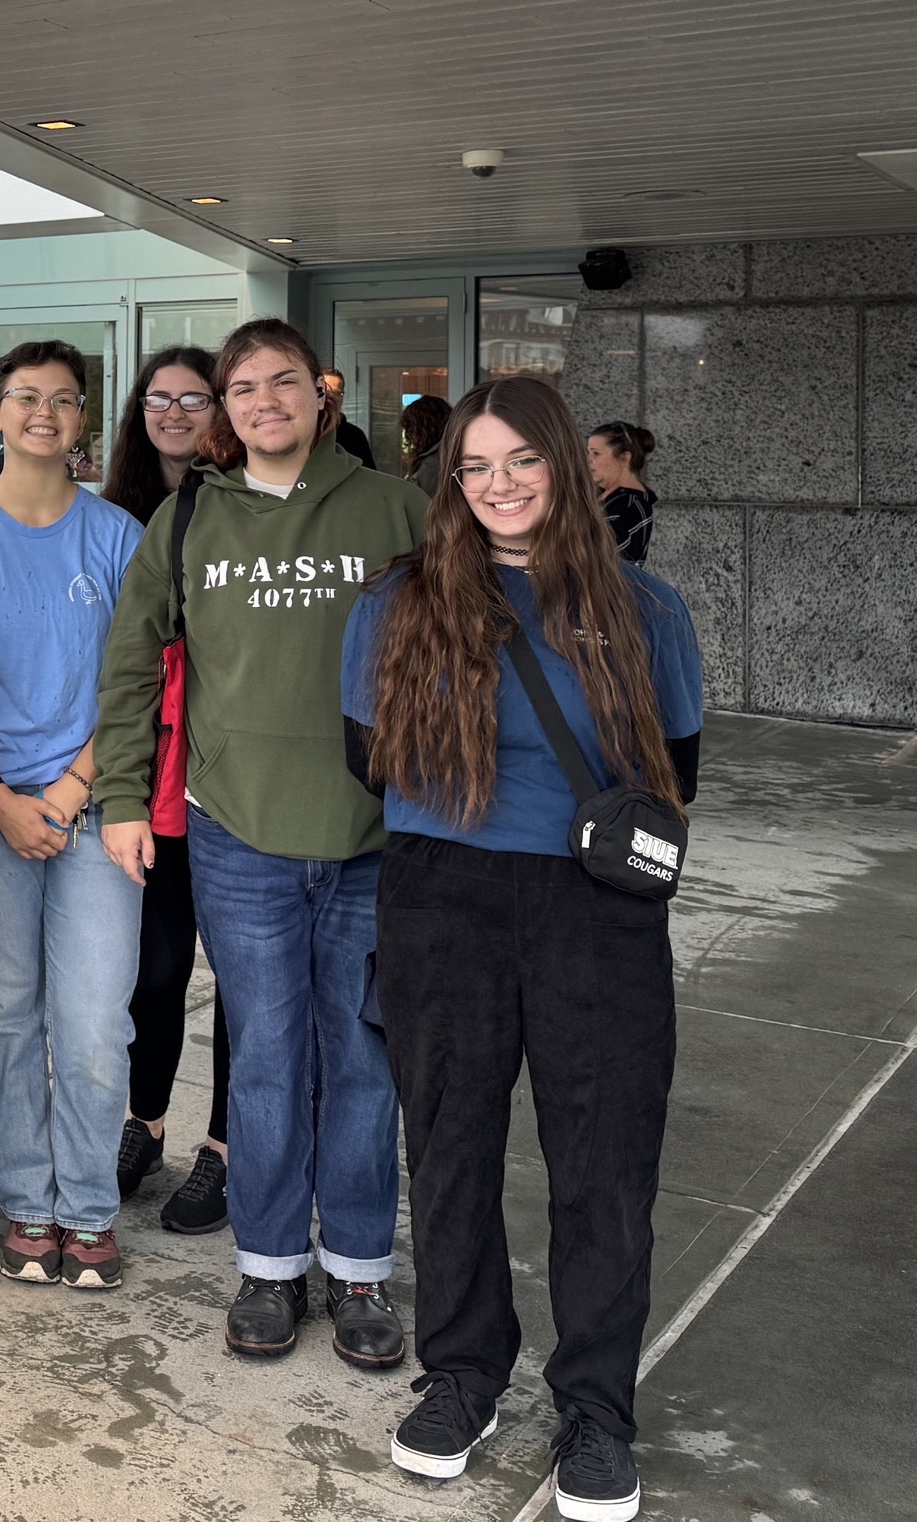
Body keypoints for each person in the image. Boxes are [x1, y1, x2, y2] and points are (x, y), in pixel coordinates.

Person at [344, 377, 701, 1522]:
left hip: (591, 908)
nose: (497, 486)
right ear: (448, 480)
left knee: (601, 1164)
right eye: (473, 466)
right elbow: (369, 758)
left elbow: (673, 778)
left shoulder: (645, 611)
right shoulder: (395, 602)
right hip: (438, 895)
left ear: (563, 464)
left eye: (521, 461)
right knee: (447, 1146)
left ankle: (595, 1410)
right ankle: (461, 1375)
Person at [95, 318, 427, 1367]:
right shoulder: (190, 516)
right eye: (242, 388)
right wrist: (116, 795)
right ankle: (272, 1265)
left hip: (372, 837)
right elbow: (131, 662)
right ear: (223, 410)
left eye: (282, 383)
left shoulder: (394, 507)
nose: (262, 402)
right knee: (269, 1063)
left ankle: (361, 1267)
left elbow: (462, 651)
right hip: (236, 838)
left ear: (320, 395)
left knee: (363, 1061)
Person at [0, 341, 144, 1292]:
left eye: (64, 401)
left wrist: (68, 791)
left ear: (83, 420)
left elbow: (137, 682)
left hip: (96, 815)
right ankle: (26, 1201)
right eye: (27, 398)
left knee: (96, 1020)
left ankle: (88, 1209)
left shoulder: (117, 535)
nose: (45, 415)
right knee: (4, 1017)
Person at [98, 346, 233, 1236]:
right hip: (151, 778)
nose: (176, 412)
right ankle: (145, 1121)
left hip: (228, 776)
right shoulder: (114, 515)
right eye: (159, 398)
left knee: (244, 980)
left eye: (195, 397)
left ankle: (225, 1147)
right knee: (151, 972)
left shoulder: (247, 504)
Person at [588, 421, 658, 563]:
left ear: (625, 458)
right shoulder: (602, 494)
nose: (589, 460)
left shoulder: (632, 507)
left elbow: (596, 558)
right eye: (589, 453)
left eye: (596, 453)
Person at [322, 369, 377, 470]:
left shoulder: (355, 436)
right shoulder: (304, 432)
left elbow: (369, 474)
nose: (330, 398)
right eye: (326, 391)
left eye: (336, 393)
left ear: (342, 397)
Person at [400, 395, 452, 496]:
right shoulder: (449, 453)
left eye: (409, 428)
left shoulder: (432, 464)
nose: (408, 435)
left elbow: (418, 504)